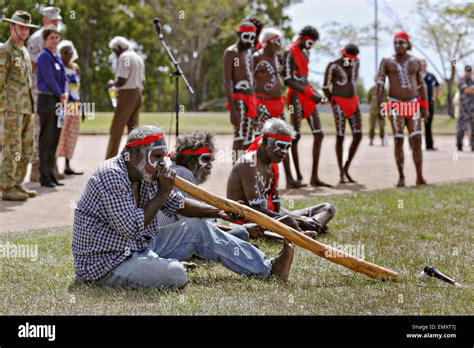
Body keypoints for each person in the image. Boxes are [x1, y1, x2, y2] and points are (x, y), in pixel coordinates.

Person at [72, 125, 295, 289]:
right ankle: (161, 265)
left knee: (197, 228)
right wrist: (163, 192)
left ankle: (268, 269)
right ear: (136, 153)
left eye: (164, 157)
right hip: (105, 263)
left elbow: (178, 204)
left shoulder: (146, 175)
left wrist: (218, 211)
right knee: (176, 275)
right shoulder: (111, 174)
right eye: (156, 156)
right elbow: (132, 227)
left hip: (138, 247)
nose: (162, 163)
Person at [227, 119, 336, 238]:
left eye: (287, 147)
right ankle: (301, 233)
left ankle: (308, 227)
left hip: (269, 217)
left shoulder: (272, 165)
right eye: (280, 146)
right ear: (264, 141)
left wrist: (300, 218)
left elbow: (276, 206)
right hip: (250, 222)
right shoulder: (248, 163)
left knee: (327, 208)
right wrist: (298, 221)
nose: (284, 152)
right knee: (289, 221)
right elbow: (256, 210)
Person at [155, 130, 250, 241]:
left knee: (240, 231)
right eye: (205, 159)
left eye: (211, 160)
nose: (210, 166)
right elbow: (194, 222)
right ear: (190, 159)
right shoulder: (182, 173)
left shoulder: (175, 172)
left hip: (166, 237)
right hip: (167, 240)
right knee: (241, 233)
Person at [376, 32, 428, 187]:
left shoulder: (415, 61)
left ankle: (419, 176)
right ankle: (401, 177)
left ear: (407, 44)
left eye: (401, 42)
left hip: (413, 105)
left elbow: (421, 85)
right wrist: (380, 106)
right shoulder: (386, 61)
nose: (397, 45)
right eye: (395, 42)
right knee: (398, 139)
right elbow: (380, 84)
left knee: (417, 139)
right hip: (395, 105)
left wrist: (425, 106)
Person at [253, 27, 303, 189]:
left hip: (277, 104)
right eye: (276, 41)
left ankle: (289, 178)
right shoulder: (255, 57)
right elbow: (248, 81)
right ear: (266, 42)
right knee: (262, 142)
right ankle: (256, 179)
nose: (279, 44)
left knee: (283, 139)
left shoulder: (277, 58)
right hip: (262, 104)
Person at [282, 26, 330, 187]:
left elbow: (304, 78)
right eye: (309, 41)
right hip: (295, 96)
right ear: (301, 37)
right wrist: (311, 94)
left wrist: (316, 94)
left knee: (319, 134)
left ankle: (314, 177)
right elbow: (287, 80)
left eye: (313, 43)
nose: (310, 45)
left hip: (307, 96)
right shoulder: (289, 52)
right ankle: (297, 176)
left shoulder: (306, 53)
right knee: (295, 136)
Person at [0, 11, 38, 201]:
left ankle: (16, 183)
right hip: (10, 108)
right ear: (11, 27)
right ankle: (6, 187)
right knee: (12, 148)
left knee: (27, 149)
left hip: (26, 107)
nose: (24, 31)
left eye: (27, 28)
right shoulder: (5, 50)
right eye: (21, 27)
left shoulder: (23, 50)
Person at [26, 6, 62, 182]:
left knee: (53, 131)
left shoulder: (54, 39)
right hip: (39, 90)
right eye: (53, 20)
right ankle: (37, 168)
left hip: (53, 92)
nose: (56, 23)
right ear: (44, 20)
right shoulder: (36, 39)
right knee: (39, 130)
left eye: (57, 20)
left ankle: (50, 167)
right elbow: (32, 67)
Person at [323, 44, 363, 184]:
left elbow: (353, 80)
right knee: (340, 136)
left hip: (353, 102)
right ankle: (341, 172)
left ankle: (346, 168)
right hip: (338, 103)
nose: (351, 61)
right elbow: (325, 86)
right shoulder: (333, 66)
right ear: (343, 54)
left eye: (353, 59)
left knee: (358, 135)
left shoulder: (356, 63)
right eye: (348, 58)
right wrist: (332, 101)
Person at [36, 26, 67, 187]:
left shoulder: (57, 57)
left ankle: (51, 173)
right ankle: (44, 175)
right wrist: (61, 94)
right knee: (46, 138)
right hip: (47, 100)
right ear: (45, 40)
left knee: (55, 137)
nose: (55, 40)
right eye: (52, 38)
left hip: (58, 101)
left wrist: (65, 93)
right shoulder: (44, 57)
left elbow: (63, 78)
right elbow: (49, 79)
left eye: (57, 37)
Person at [105, 36, 145, 159]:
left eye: (114, 50)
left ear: (119, 48)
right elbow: (143, 81)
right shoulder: (138, 57)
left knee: (116, 129)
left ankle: (109, 160)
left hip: (127, 95)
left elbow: (122, 79)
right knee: (133, 131)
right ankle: (135, 159)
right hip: (138, 94)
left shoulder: (125, 57)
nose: (114, 53)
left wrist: (112, 84)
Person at [224, 21, 258, 161]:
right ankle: (235, 173)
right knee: (239, 136)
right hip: (238, 99)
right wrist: (233, 109)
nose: (249, 40)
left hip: (251, 99)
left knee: (249, 137)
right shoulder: (231, 52)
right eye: (246, 36)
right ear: (239, 34)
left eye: (252, 37)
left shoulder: (249, 52)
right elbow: (227, 80)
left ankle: (246, 171)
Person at [55, 40, 83, 175]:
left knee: (71, 136)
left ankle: (67, 165)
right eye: (65, 52)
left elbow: (79, 88)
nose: (68, 54)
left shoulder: (76, 68)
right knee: (60, 135)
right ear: (60, 53)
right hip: (62, 107)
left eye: (70, 52)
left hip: (75, 106)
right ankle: (54, 167)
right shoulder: (58, 66)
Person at [420, 60, 440, 150]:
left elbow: (437, 86)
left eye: (424, 65)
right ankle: (414, 145)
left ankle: (429, 145)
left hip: (428, 104)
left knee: (428, 124)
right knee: (415, 124)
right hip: (418, 104)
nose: (423, 67)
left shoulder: (431, 76)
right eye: (421, 65)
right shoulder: (416, 76)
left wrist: (434, 97)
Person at [456, 65, 474, 152]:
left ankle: (473, 145)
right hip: (464, 109)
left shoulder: (472, 81)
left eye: (470, 71)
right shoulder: (462, 80)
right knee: (461, 128)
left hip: (472, 108)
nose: (469, 72)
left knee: (473, 127)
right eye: (467, 71)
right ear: (465, 71)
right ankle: (459, 144)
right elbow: (466, 90)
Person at [367, 78, 386, 146]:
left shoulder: (384, 90)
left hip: (381, 111)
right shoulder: (371, 90)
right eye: (376, 80)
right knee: (372, 126)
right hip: (373, 111)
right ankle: (371, 140)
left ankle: (383, 140)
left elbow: (387, 100)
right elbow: (368, 99)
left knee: (382, 126)